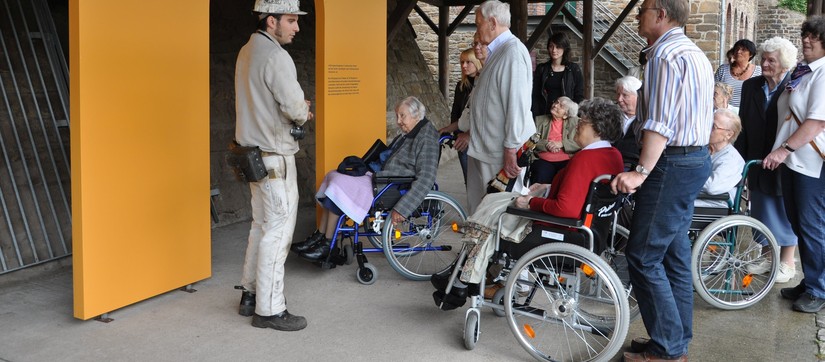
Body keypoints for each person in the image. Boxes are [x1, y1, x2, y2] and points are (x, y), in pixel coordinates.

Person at [434, 98, 625, 307]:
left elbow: (566, 208)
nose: (577, 123)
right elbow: (578, 194)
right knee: (493, 200)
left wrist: (531, 204)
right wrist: (546, 187)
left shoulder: (585, 159)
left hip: (558, 230)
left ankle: (463, 281)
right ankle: (464, 276)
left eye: (583, 121)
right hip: (590, 232)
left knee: (491, 212)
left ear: (597, 128)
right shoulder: (612, 155)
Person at [612, 0, 714, 360]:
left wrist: (639, 172)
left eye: (642, 9)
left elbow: (660, 123)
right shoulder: (693, 53)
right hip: (693, 159)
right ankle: (673, 340)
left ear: (661, 14)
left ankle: (668, 349)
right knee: (673, 255)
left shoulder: (665, 56)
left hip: (672, 163)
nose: (638, 15)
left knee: (642, 256)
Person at [234, 0, 311, 331]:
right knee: (278, 232)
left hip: (251, 155)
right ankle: (269, 309)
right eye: (291, 20)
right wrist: (304, 110)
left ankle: (249, 294)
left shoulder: (246, 52)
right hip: (274, 157)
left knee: (260, 225)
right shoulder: (277, 57)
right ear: (271, 21)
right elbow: (294, 107)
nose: (296, 27)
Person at [293, 97, 439, 261]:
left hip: (391, 185)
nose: (398, 121)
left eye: (402, 116)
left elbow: (426, 178)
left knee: (339, 185)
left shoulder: (426, 138)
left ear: (416, 114)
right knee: (333, 176)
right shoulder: (413, 131)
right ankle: (320, 236)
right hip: (382, 177)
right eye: (397, 116)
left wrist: (403, 209)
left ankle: (328, 244)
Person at [763, 16, 825, 313]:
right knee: (799, 223)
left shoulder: (824, 73)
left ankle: (819, 289)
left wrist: (783, 150)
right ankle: (810, 280)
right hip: (794, 161)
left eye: (814, 36)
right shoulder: (806, 71)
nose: (807, 40)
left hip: (811, 162)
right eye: (806, 35)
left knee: (812, 225)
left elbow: (815, 123)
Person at [458, 0, 536, 214]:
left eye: (478, 23)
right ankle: (484, 248)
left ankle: (499, 248)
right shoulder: (499, 52)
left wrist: (511, 148)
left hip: (499, 153)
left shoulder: (512, 52)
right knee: (482, 210)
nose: (476, 29)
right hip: (486, 149)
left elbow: (517, 105)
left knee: (499, 211)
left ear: (492, 23)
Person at [735, 36, 798, 284]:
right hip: (755, 155)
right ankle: (767, 256)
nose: (764, 64)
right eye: (763, 58)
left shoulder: (794, 86)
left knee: (782, 208)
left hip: (784, 156)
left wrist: (785, 151)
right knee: (759, 206)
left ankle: (787, 262)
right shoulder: (751, 86)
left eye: (771, 60)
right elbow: (743, 124)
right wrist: (739, 159)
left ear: (784, 64)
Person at [439, 48, 483, 184]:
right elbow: (456, 112)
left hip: (478, 139)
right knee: (468, 180)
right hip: (462, 136)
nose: (464, 66)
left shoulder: (483, 84)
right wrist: (452, 130)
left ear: (477, 63)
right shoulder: (461, 86)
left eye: (468, 62)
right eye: (462, 62)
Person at [695, 109, 745, 208]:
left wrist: (686, 176)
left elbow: (712, 187)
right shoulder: (705, 149)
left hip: (714, 204)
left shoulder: (731, 159)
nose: (707, 128)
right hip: (699, 198)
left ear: (728, 135)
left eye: (713, 126)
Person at [531, 32, 584, 118]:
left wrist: (573, 116)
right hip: (544, 116)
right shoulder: (542, 69)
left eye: (558, 47)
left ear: (564, 48)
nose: (554, 50)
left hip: (566, 117)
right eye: (551, 46)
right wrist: (536, 117)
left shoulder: (573, 69)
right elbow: (535, 95)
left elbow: (579, 96)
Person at [529, 96, 580, 184]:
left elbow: (581, 142)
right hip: (543, 160)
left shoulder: (576, 122)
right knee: (541, 174)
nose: (556, 105)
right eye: (556, 102)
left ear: (566, 115)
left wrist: (562, 144)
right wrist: (548, 144)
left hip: (567, 160)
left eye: (561, 106)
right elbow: (531, 139)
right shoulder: (540, 120)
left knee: (568, 178)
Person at [714, 39, 763, 108]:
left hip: (748, 114)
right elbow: (713, 90)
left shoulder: (759, 71)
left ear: (751, 54)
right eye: (736, 49)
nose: (738, 52)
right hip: (726, 113)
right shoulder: (723, 69)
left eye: (743, 50)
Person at [613, 75, 642, 167]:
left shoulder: (646, 121)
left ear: (638, 97)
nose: (619, 99)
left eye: (625, 95)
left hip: (632, 167)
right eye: (618, 94)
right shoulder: (611, 117)